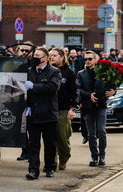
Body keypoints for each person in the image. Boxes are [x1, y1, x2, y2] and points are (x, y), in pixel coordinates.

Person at [24, 47, 61, 180]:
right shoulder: (29, 71)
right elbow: (24, 91)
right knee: (33, 144)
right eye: (34, 55)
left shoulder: (54, 71)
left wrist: (34, 87)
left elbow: (52, 88)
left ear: (45, 58)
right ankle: (33, 170)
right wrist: (27, 105)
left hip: (48, 114)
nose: (35, 57)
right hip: (33, 114)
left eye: (38, 55)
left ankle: (50, 167)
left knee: (50, 143)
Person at [77, 51, 115, 166]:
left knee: (101, 130)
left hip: (101, 105)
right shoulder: (81, 73)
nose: (87, 61)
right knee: (91, 133)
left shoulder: (103, 72)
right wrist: (89, 96)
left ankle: (102, 156)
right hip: (88, 107)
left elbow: (112, 85)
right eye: (85, 59)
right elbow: (78, 89)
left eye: (89, 59)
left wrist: (114, 91)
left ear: (95, 60)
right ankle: (94, 157)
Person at [49, 47, 79, 170]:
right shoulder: (48, 71)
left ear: (62, 57)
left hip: (63, 110)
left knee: (62, 138)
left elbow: (75, 92)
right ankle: (52, 163)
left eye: (54, 55)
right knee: (50, 139)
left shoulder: (69, 73)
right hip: (50, 109)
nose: (51, 57)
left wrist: (73, 109)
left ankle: (64, 158)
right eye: (50, 55)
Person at [16, 41, 34, 161]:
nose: (24, 53)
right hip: (18, 98)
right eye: (22, 50)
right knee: (20, 127)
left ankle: (32, 152)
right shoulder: (15, 63)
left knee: (32, 129)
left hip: (32, 99)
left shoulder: (34, 64)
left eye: (27, 51)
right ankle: (24, 150)